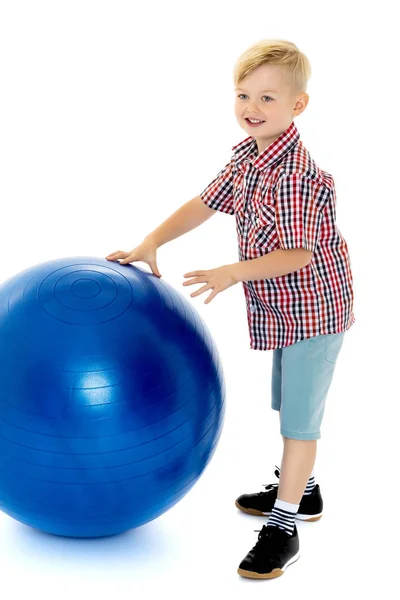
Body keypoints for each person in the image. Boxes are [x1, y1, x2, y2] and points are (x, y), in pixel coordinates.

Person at [106, 38, 355, 580]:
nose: (252, 108)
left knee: (299, 427)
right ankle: (305, 491)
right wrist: (153, 240)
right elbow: (204, 203)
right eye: (244, 94)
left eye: (268, 98)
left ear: (298, 106)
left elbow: (297, 253)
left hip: (316, 310)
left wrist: (230, 273)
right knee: (287, 405)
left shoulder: (297, 176)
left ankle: (285, 525)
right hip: (282, 310)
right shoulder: (248, 158)